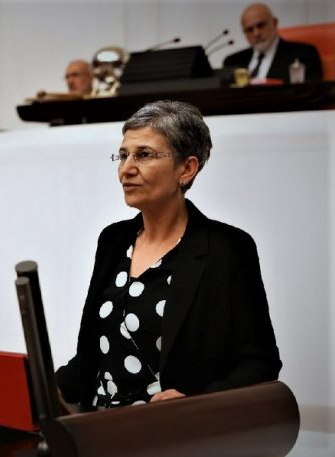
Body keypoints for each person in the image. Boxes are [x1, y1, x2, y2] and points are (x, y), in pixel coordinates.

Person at [56, 100, 281, 409]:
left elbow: (261, 361)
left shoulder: (227, 248)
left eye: (144, 155)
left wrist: (196, 403)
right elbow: (99, 351)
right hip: (97, 423)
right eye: (123, 155)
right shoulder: (113, 240)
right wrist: (43, 387)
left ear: (186, 169)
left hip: (170, 428)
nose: (126, 169)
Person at [223, 3, 322, 82]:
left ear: (274, 23)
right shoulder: (232, 62)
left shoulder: (303, 54)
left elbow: (311, 93)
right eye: (250, 30)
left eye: (261, 25)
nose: (256, 33)